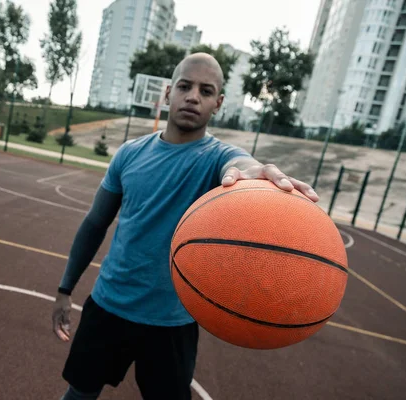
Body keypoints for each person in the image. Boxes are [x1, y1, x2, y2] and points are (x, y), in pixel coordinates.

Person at [52, 52, 319, 400]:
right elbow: (95, 222)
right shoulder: (129, 155)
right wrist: (64, 289)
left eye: (206, 91)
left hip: (174, 321)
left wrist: (251, 173)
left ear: (218, 103)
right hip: (109, 305)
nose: (193, 96)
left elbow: (239, 165)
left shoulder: (217, 158)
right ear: (168, 94)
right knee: (79, 394)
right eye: (185, 86)